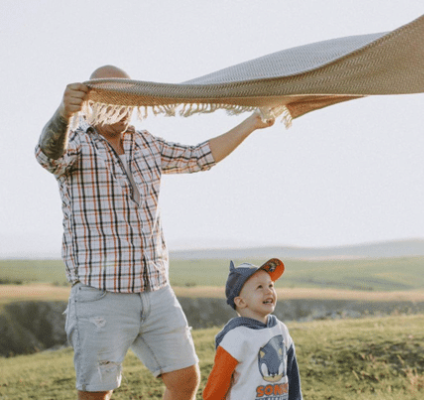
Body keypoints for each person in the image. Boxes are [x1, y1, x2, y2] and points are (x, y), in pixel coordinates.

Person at [35, 65, 275, 400]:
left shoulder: (145, 142)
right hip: (101, 296)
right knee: (95, 394)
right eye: (112, 102)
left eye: (127, 102)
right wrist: (64, 113)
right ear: (92, 103)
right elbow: (48, 155)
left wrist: (251, 123)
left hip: (156, 291)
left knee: (184, 380)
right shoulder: (75, 143)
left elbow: (198, 157)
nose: (121, 112)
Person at [202, 259, 302, 400]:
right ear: (241, 301)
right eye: (260, 287)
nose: (268, 291)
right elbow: (217, 385)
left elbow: (292, 377)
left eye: (271, 285)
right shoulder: (236, 337)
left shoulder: (281, 330)